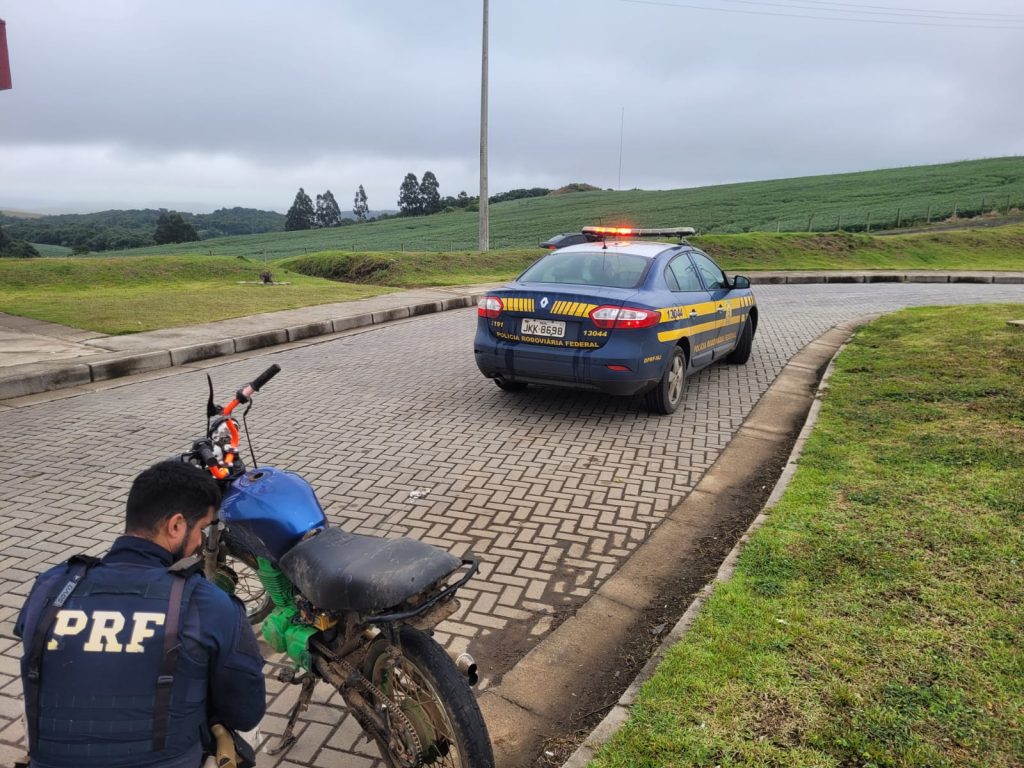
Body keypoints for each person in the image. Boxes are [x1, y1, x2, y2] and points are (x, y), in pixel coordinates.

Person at [14, 460, 266, 768]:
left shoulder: (49, 586)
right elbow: (246, 712)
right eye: (201, 529)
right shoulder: (209, 603)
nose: (200, 542)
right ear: (176, 526)